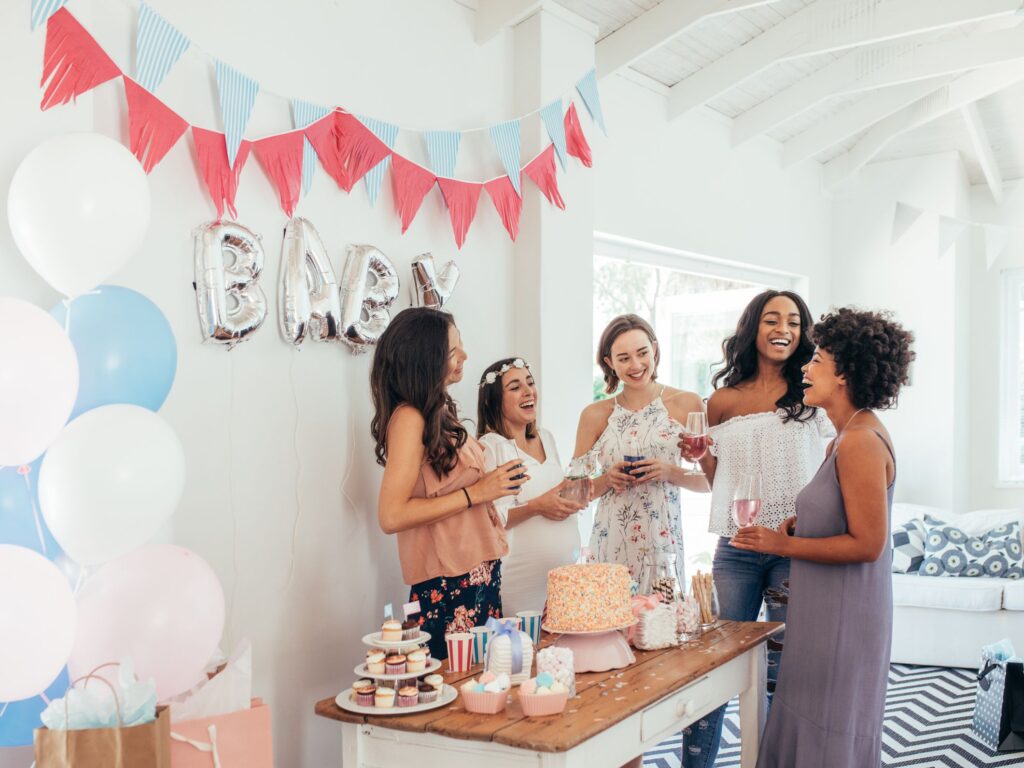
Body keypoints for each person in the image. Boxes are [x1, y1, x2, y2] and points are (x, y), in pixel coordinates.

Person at [731, 307, 914, 768]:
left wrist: (782, 544)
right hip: (825, 609)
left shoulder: (860, 442)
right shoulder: (844, 437)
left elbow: (868, 544)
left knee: (829, 727)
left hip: (844, 618)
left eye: (818, 362)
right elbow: (842, 512)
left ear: (846, 375)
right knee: (811, 719)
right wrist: (802, 523)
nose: (806, 370)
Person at [675, 290, 833, 768]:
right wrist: (703, 456)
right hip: (738, 548)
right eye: (771, 319)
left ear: (804, 332)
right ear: (753, 328)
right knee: (715, 665)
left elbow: (834, 464)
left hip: (794, 548)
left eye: (793, 320)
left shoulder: (814, 393)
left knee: (781, 675)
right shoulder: (722, 400)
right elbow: (719, 478)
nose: (783, 328)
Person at [370, 308, 526, 660]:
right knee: (457, 694)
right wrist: (476, 493)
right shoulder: (409, 418)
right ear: (427, 358)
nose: (465, 356)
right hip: (449, 584)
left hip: (479, 572)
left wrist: (493, 485)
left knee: (484, 687)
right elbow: (391, 515)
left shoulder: (439, 411)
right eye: (453, 351)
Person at [574, 314, 707, 591]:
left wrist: (670, 471)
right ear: (609, 363)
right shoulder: (595, 414)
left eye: (642, 353)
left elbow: (711, 481)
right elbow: (571, 494)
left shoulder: (687, 403)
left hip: (663, 548)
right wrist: (606, 480)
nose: (635, 365)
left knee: (662, 628)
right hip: (609, 545)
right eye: (623, 358)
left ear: (655, 349)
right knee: (611, 629)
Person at [476, 357, 585, 616]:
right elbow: (489, 520)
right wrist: (537, 507)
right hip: (519, 578)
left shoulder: (546, 437)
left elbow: (553, 491)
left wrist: (578, 492)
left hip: (562, 578)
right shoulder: (491, 446)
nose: (528, 392)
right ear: (493, 400)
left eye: (530, 382)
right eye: (514, 387)